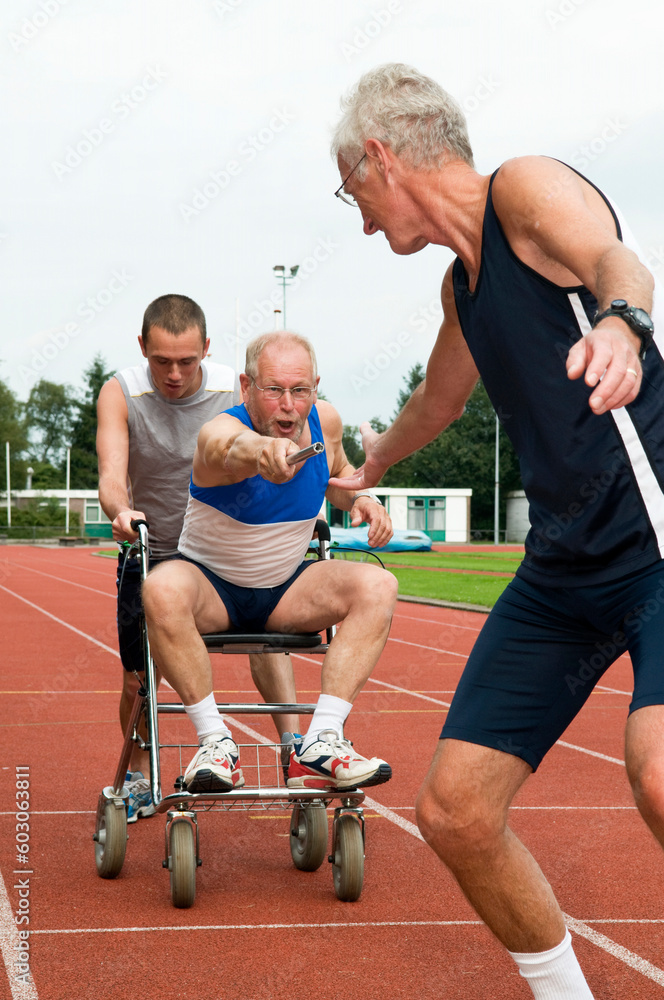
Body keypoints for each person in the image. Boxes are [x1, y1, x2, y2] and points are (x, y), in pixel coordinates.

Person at [329, 63, 663, 999]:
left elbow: (617, 261)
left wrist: (622, 326)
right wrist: (371, 466)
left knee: (660, 773)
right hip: (562, 571)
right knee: (456, 811)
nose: (362, 222)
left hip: (656, 546)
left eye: (353, 190)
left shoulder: (523, 189)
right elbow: (439, 401)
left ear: (381, 157)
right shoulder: (462, 289)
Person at [140, 330, 397, 794]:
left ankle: (322, 740)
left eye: (300, 390)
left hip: (284, 590)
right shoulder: (218, 430)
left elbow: (338, 472)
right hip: (211, 589)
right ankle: (215, 742)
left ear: (315, 388)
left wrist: (364, 498)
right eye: (274, 389)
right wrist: (265, 453)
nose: (288, 405)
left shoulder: (326, 422)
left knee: (380, 584)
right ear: (246, 387)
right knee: (159, 586)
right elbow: (230, 450)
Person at [97, 294, 300, 821]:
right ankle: (140, 773)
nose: (174, 373)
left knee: (268, 641)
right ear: (142, 347)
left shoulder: (236, 387)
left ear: (207, 348)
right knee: (139, 678)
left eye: (187, 361)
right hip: (153, 546)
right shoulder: (121, 392)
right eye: (161, 360)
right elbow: (111, 474)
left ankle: (293, 751)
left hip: (224, 548)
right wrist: (121, 510)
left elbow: (281, 439)